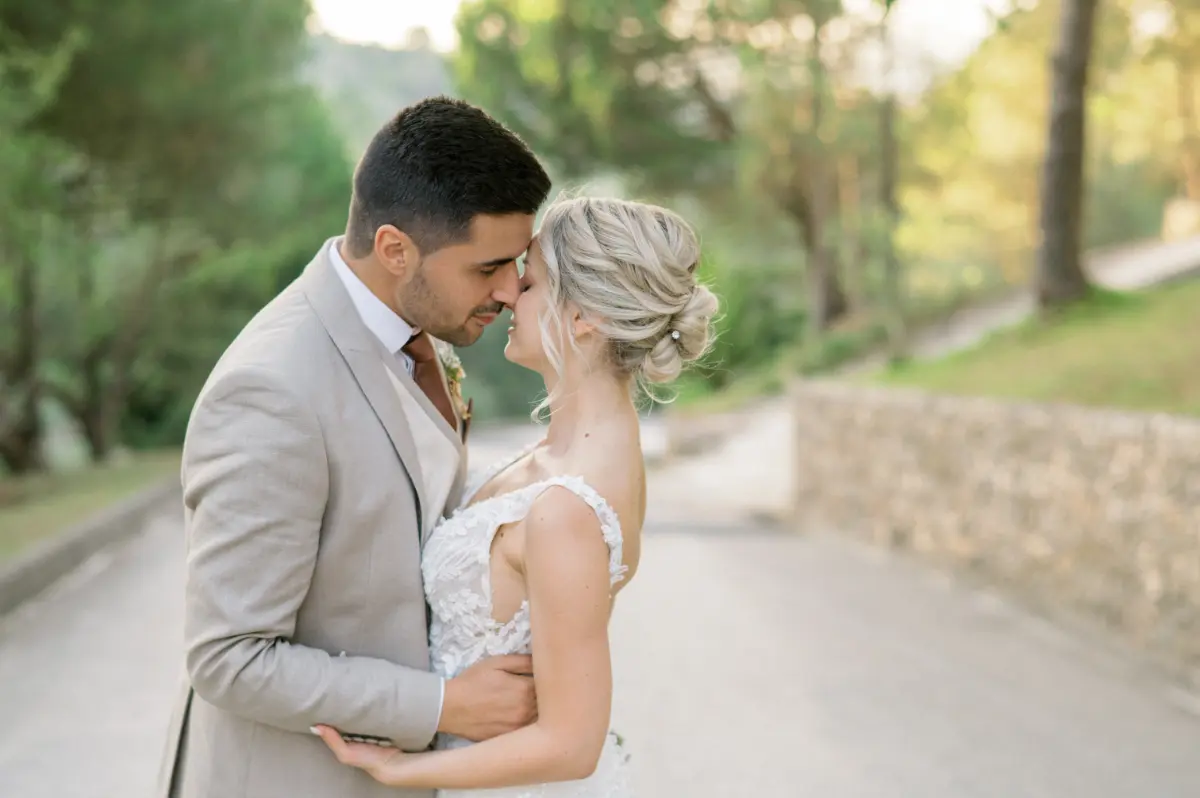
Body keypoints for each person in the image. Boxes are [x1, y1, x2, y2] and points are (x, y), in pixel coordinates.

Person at [156, 96, 552, 798]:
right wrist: (442, 704)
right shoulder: (271, 390)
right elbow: (227, 658)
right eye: (487, 267)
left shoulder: (415, 326)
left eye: (516, 263)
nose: (511, 289)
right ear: (396, 250)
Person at [313, 194, 720, 796]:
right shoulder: (579, 453)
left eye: (529, 283)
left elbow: (571, 743)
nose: (507, 295)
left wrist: (401, 770)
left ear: (583, 318)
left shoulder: (566, 508)